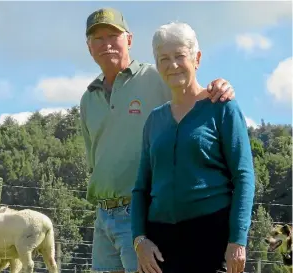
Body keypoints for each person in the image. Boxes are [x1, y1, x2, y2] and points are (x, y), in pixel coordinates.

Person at [80, 7, 236, 273]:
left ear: (129, 40)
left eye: (112, 36)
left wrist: (219, 86)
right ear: (89, 47)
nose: (106, 44)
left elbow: (191, 94)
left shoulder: (157, 75)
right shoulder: (87, 99)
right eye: (98, 38)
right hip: (103, 215)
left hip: (141, 214)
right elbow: (93, 158)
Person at [130, 22, 255, 273]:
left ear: (196, 58)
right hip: (160, 246)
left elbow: (244, 177)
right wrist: (139, 240)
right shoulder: (154, 120)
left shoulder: (222, 108)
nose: (172, 64)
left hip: (212, 238)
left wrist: (237, 241)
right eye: (164, 58)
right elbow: (140, 188)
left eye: (179, 56)